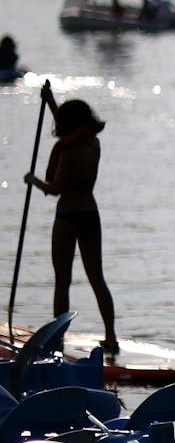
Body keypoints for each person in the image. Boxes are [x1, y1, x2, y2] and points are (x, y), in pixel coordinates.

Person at [22, 85, 118, 352]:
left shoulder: (67, 151)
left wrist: (33, 181)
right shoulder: (93, 144)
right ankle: (111, 336)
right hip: (90, 213)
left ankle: (57, 339)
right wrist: (51, 102)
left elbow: (56, 189)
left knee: (62, 281)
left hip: (67, 216)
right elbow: (69, 130)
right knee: (97, 278)